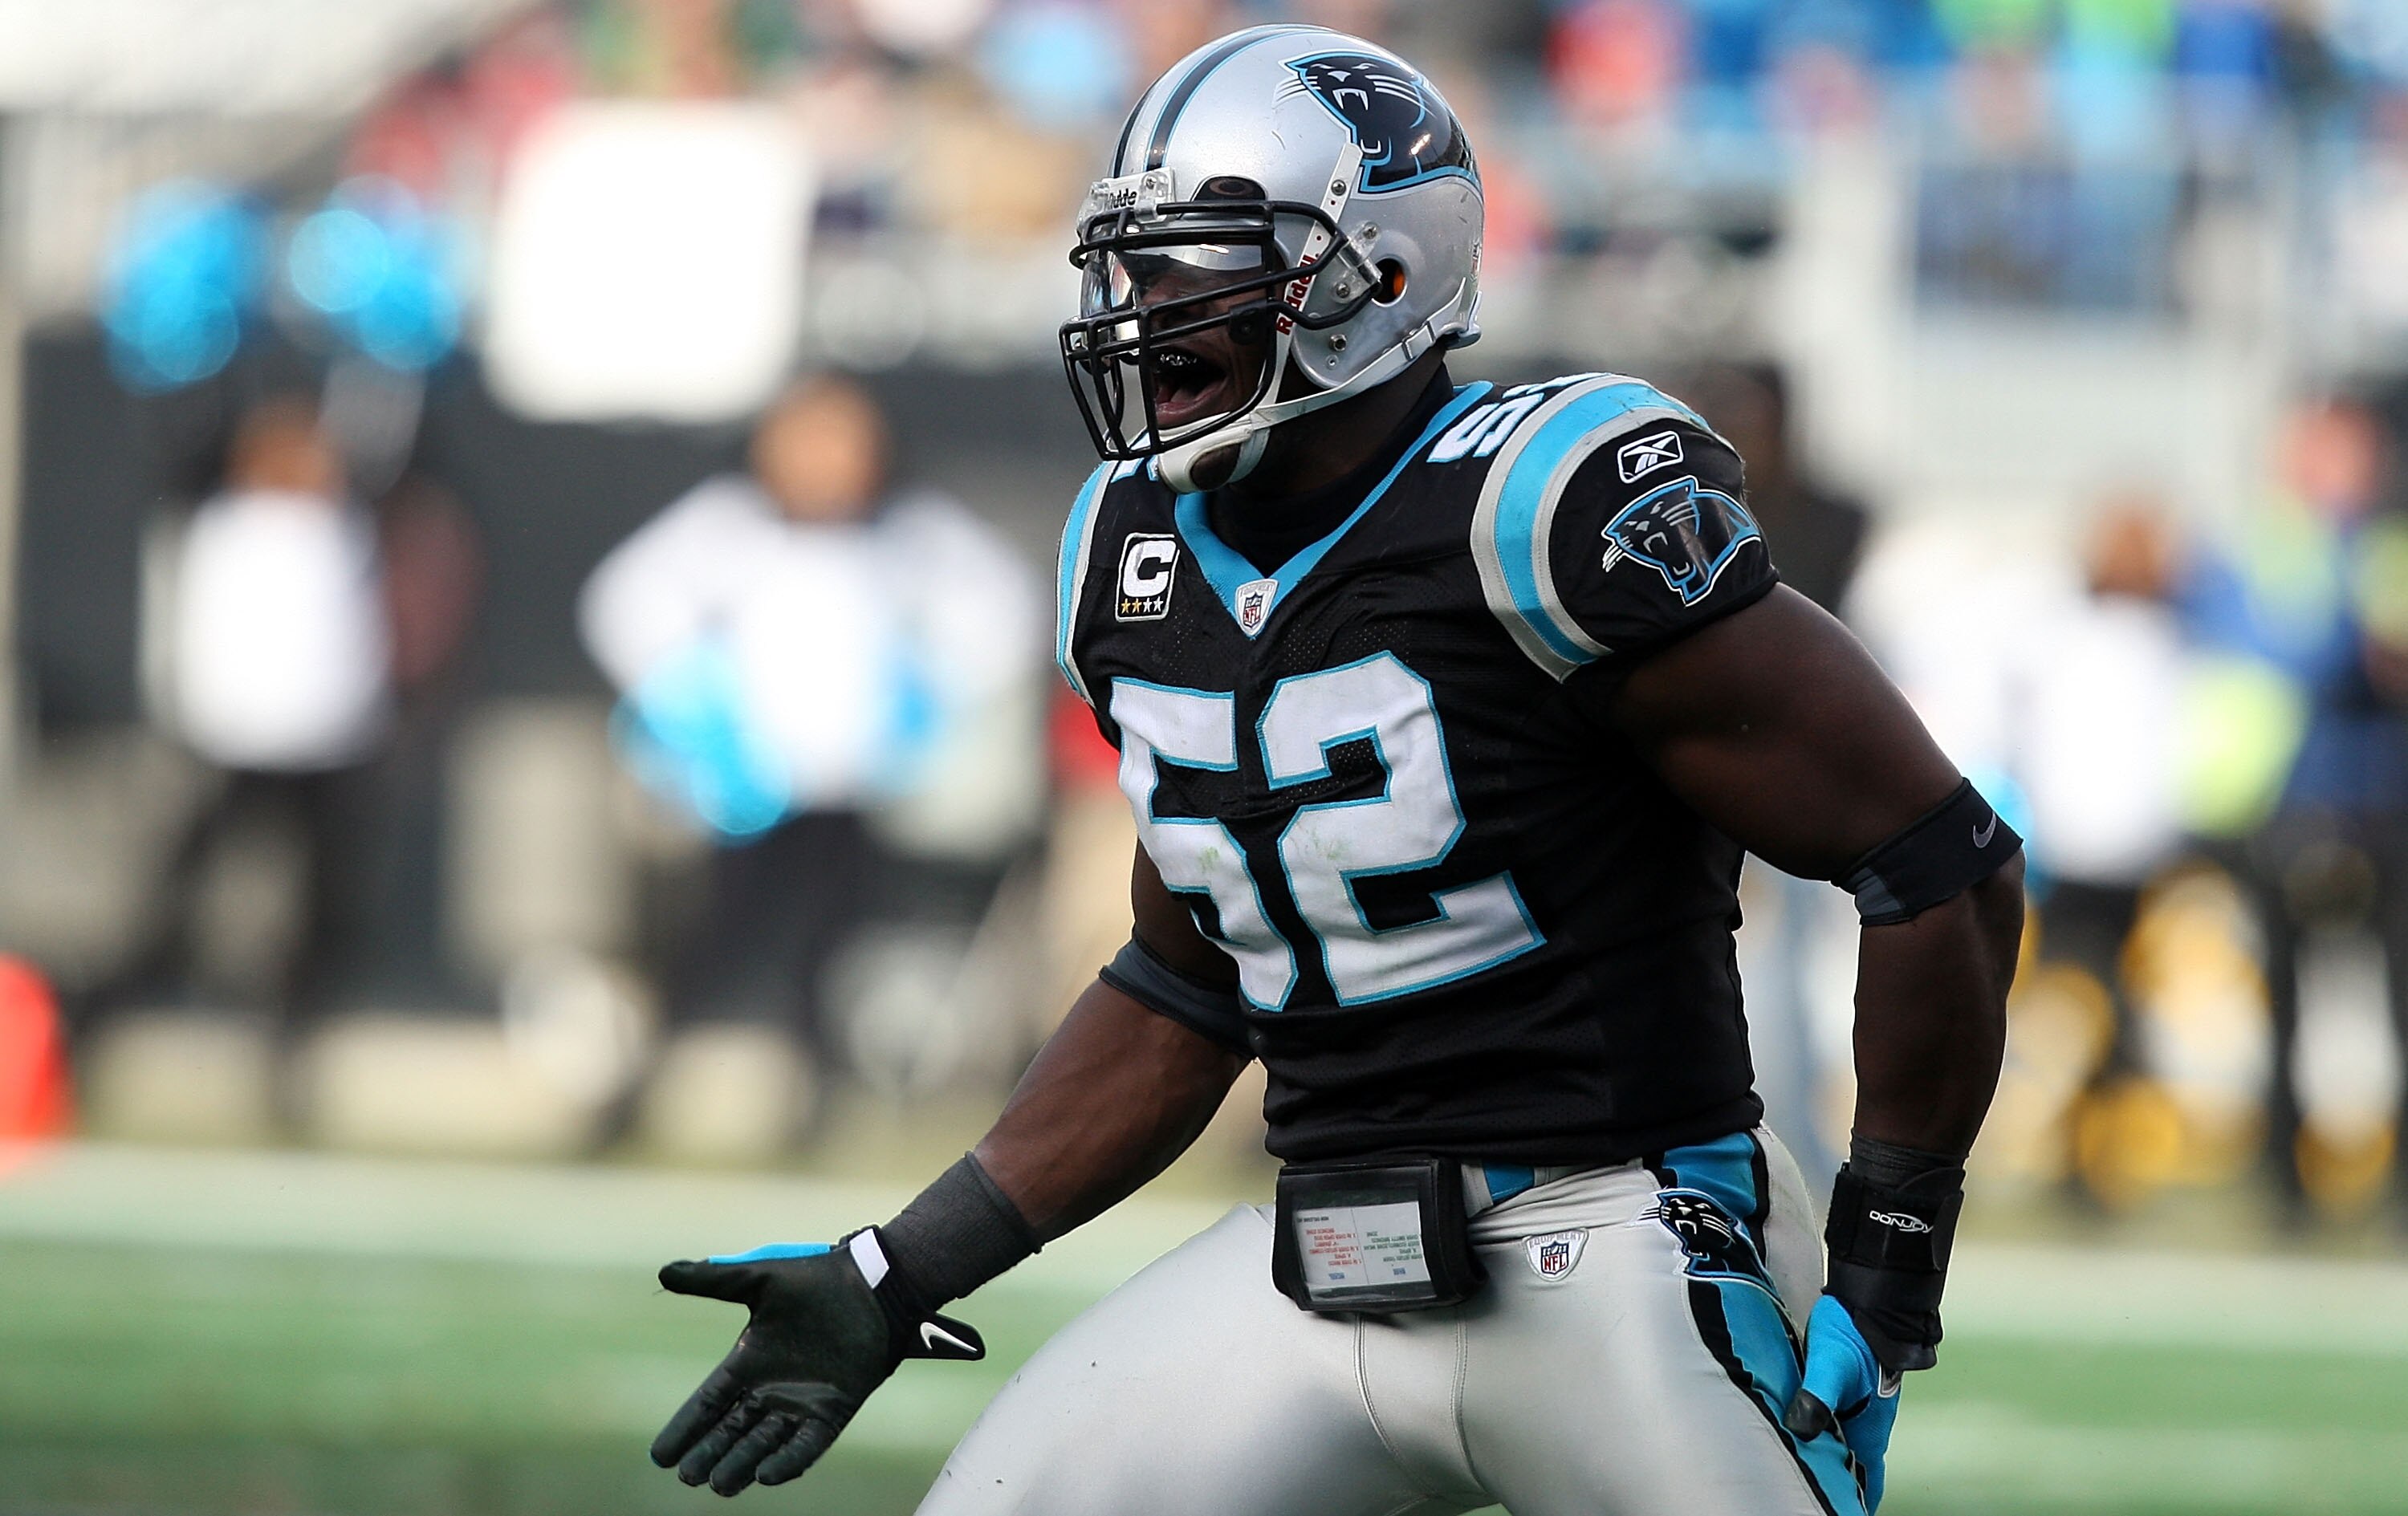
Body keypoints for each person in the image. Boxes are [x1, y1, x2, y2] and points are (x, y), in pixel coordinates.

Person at [646, 26, 2023, 1516]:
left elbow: (1935, 857)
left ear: (1374, 271)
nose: (1145, 316)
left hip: (1615, 1241)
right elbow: (1185, 986)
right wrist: (892, 1267)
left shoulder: (1539, 504)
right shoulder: (1134, 551)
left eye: (1197, 269)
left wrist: (1889, 1262)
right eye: (1131, 269)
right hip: (1324, 1266)